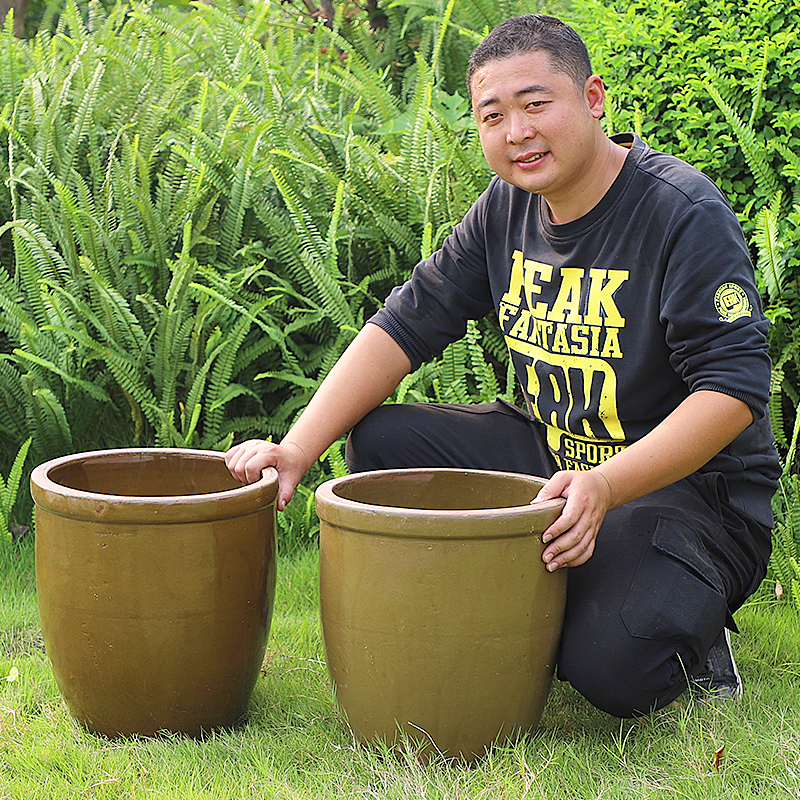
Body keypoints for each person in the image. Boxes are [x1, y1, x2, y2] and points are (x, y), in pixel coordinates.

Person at [225, 14, 780, 717]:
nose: (518, 131)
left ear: (593, 98)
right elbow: (403, 325)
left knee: (612, 668)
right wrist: (298, 447)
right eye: (494, 115)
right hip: (553, 455)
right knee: (384, 444)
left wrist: (605, 487)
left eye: (536, 104)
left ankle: (689, 632)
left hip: (690, 494)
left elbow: (731, 392)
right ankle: (532, 594)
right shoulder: (506, 208)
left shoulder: (680, 212)